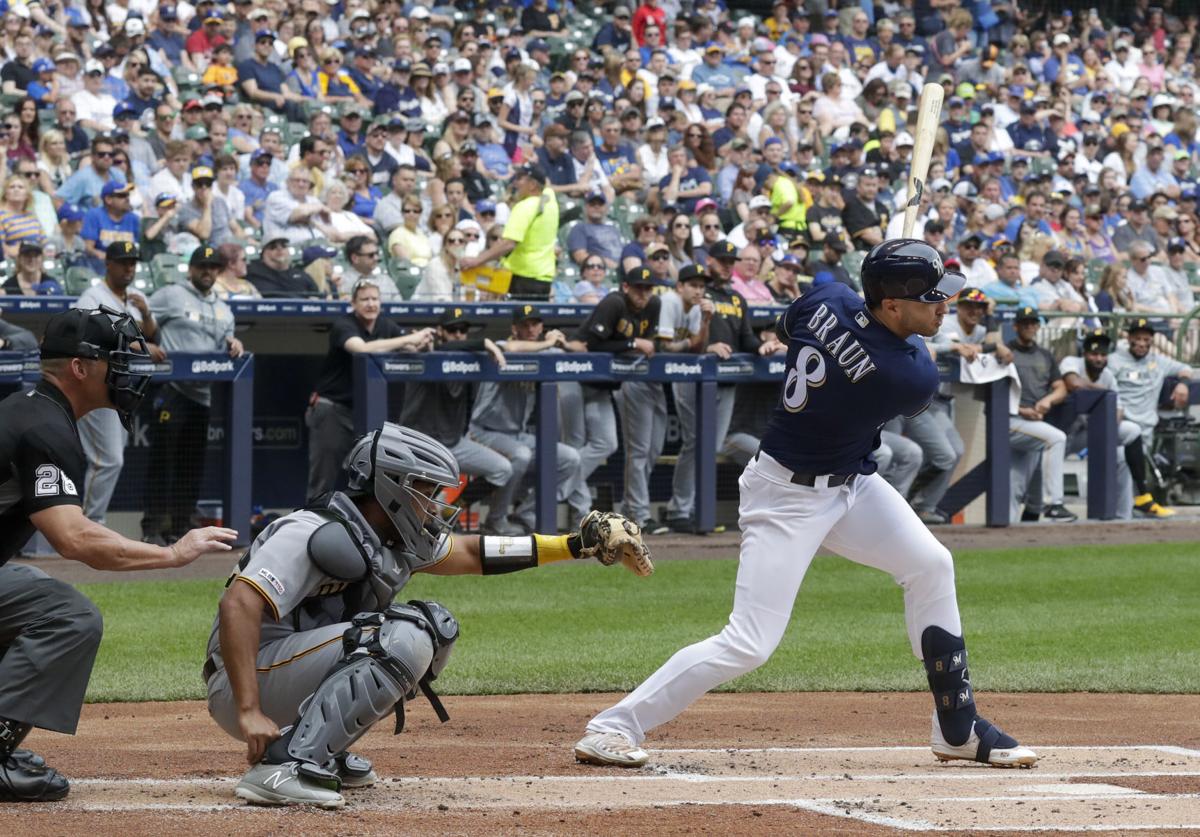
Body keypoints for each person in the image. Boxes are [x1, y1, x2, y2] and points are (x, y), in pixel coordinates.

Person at [572, 239, 1038, 771]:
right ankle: (614, 725)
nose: (943, 308)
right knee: (750, 642)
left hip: (851, 484)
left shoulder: (828, 298)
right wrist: (874, 327)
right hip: (786, 497)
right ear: (890, 304)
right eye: (931, 299)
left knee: (932, 564)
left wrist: (869, 311)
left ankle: (958, 727)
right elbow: (910, 372)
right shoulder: (908, 373)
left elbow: (788, 327)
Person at [207, 421, 651, 807]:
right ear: (393, 488)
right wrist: (248, 709)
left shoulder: (391, 535)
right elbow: (239, 603)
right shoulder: (309, 531)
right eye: (427, 491)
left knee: (434, 630)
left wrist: (575, 544)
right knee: (401, 637)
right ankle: (283, 767)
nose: (438, 504)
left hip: (283, 672)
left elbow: (475, 554)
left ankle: (318, 750)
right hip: (243, 680)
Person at [0, 307, 235, 802]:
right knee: (69, 615)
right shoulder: (43, 425)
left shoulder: (31, 409)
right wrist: (172, 553)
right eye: (117, 360)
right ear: (80, 369)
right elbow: (76, 540)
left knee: (26, 597)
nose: (129, 370)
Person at [141, 246, 245, 544]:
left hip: (202, 396)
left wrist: (234, 342)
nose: (208, 272)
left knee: (191, 464)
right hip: (171, 390)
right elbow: (136, 318)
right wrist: (145, 342)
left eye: (213, 267)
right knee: (162, 461)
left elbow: (225, 342)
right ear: (191, 268)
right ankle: (151, 528)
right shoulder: (171, 294)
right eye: (203, 266)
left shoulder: (224, 308)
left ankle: (179, 527)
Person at [306, 279, 434, 500]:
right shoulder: (344, 324)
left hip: (364, 413)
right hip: (332, 410)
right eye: (364, 299)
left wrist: (422, 342)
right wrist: (408, 338)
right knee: (323, 477)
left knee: (372, 474)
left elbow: (410, 345)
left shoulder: (385, 325)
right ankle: (312, 526)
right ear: (353, 303)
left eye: (375, 299)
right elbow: (361, 349)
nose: (370, 304)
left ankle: (364, 529)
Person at [467, 305, 583, 534]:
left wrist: (562, 342)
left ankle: (525, 516)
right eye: (525, 325)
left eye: (535, 324)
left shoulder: (546, 352)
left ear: (541, 326)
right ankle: (495, 520)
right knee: (521, 455)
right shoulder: (503, 347)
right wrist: (548, 343)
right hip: (483, 432)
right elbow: (510, 347)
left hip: (517, 436)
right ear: (515, 328)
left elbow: (581, 353)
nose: (531, 329)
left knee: (570, 458)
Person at [74, 242, 165, 526]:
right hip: (95, 384)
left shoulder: (134, 298)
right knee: (108, 460)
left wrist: (147, 314)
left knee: (108, 460)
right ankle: (86, 527)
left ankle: (89, 525)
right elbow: (87, 337)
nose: (129, 268)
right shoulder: (92, 296)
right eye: (123, 262)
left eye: (133, 262)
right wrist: (138, 344)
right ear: (108, 264)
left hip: (119, 388)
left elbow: (153, 336)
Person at [909, 288, 1012, 524]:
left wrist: (992, 327)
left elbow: (996, 346)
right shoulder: (948, 323)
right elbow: (953, 346)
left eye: (980, 308)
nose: (974, 311)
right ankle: (908, 499)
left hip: (942, 402)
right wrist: (988, 348)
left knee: (955, 451)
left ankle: (924, 506)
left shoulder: (980, 328)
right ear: (959, 307)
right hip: (920, 401)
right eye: (970, 306)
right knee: (943, 455)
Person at [1108, 318, 1195, 517]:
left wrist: (1182, 384)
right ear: (1129, 338)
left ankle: (1130, 517)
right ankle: (1121, 517)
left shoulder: (1157, 361)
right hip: (1122, 429)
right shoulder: (1115, 360)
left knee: (1137, 476)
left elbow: (1186, 368)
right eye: (1137, 338)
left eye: (1146, 339)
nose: (1142, 343)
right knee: (1123, 469)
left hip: (1146, 428)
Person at [1060, 330, 1144, 520]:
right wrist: (1104, 392)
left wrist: (1106, 434)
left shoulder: (1107, 376)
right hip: (1063, 432)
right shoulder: (1071, 362)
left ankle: (1123, 517)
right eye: (1094, 354)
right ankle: (1045, 513)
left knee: (1125, 448)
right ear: (1085, 353)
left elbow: (1119, 410)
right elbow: (1074, 383)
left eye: (1103, 355)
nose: (1098, 358)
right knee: (1038, 470)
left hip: (1091, 432)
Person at [1006, 306, 1078, 524]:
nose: (1029, 326)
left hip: (1034, 425)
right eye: (1025, 323)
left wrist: (1047, 400)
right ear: (1016, 326)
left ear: (1038, 326)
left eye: (1033, 322)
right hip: (1010, 419)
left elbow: (1061, 387)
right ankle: (1054, 503)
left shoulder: (1045, 355)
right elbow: (995, 391)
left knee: (1016, 483)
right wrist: (1021, 410)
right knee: (1056, 438)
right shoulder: (1007, 352)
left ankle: (1018, 533)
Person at [657, 263, 713, 531]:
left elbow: (697, 347)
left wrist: (706, 322)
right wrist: (689, 344)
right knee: (644, 451)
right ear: (679, 286)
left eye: (702, 286)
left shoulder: (696, 309)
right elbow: (664, 346)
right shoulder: (669, 300)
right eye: (693, 285)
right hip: (640, 378)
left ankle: (681, 509)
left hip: (665, 378)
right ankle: (672, 509)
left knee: (695, 440)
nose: (698, 290)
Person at [460, 164, 558, 300]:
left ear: (533, 185)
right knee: (534, 320)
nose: (516, 183)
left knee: (515, 320)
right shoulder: (551, 201)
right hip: (544, 278)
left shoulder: (525, 206)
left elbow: (509, 244)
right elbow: (546, 188)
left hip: (522, 277)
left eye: (520, 178)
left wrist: (476, 261)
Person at [247, 237, 322, 298]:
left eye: (283, 246)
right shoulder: (253, 272)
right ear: (263, 253)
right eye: (273, 247)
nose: (279, 249)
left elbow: (316, 297)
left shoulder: (301, 275)